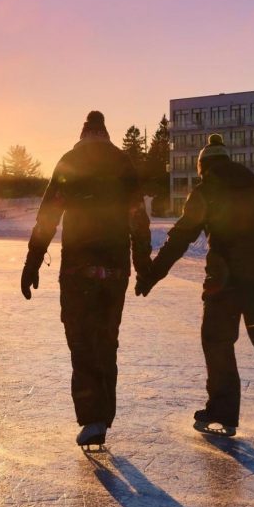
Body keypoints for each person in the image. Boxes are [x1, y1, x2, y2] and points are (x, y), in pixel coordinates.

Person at [135, 133, 254, 436]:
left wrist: (152, 273)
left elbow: (181, 236)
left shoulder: (206, 192)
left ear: (203, 167)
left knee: (217, 342)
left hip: (226, 284)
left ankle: (223, 411)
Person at [22, 110, 152, 448]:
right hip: (115, 271)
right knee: (106, 340)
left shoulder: (70, 161)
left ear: (83, 133)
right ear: (105, 133)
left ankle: (94, 418)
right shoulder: (122, 164)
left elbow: (48, 216)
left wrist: (32, 262)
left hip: (78, 269)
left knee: (81, 341)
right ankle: (102, 417)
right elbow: (138, 217)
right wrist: (142, 265)